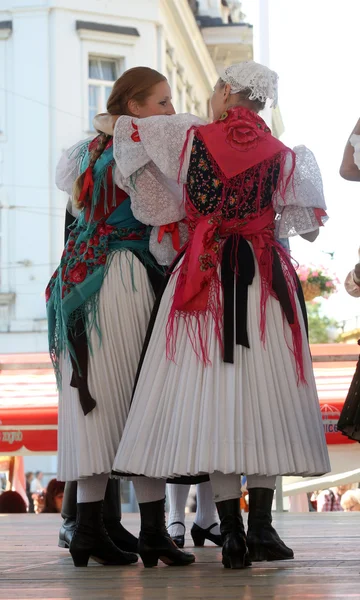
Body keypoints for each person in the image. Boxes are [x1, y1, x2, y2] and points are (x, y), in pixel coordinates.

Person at [95, 60, 330, 569]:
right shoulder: (287, 155)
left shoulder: (188, 138)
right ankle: (264, 528)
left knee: (217, 399)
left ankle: (233, 534)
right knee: (267, 396)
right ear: (262, 104)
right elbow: (305, 227)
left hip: (205, 273)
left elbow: (129, 137)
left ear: (226, 92)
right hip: (263, 278)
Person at [47, 66, 194, 568]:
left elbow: (78, 213)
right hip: (122, 277)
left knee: (94, 406)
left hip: (75, 282)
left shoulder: (85, 150)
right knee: (140, 400)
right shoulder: (138, 151)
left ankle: (88, 532)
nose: (170, 111)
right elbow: (163, 214)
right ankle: (151, 533)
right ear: (133, 107)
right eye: (161, 102)